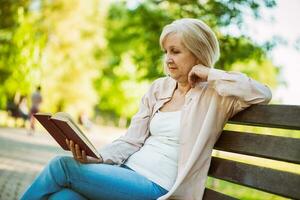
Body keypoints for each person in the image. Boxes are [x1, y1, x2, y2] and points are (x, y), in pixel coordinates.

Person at [20, 18, 272, 200]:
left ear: (197, 53)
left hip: (158, 187)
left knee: (60, 167)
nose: (168, 59)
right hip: (128, 173)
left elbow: (261, 93)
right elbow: (131, 140)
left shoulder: (216, 95)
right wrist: (99, 158)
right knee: (63, 198)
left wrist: (208, 73)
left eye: (175, 51)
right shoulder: (159, 88)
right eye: (166, 52)